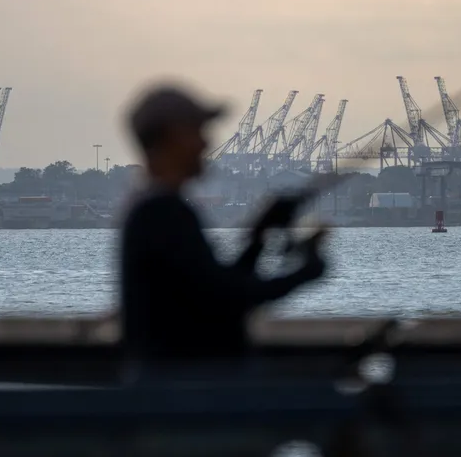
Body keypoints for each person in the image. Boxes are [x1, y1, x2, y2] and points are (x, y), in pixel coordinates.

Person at [119, 83, 327, 369]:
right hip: (183, 390)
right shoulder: (162, 214)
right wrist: (305, 273)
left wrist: (259, 237)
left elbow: (215, 292)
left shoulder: (154, 209)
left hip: (181, 385)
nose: (206, 144)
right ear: (171, 137)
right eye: (197, 131)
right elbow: (230, 298)